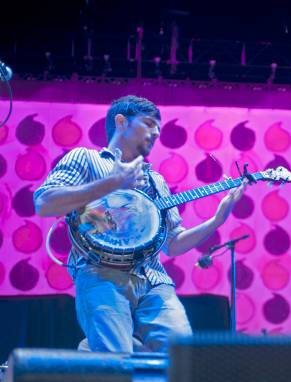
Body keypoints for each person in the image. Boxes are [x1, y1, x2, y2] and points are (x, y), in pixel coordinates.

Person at [34, 95, 245, 352]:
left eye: (158, 126)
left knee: (182, 357)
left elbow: (173, 244)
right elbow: (44, 202)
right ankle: (107, 349)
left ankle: (102, 348)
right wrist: (111, 183)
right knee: (117, 363)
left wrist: (217, 220)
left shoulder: (156, 180)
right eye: (148, 123)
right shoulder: (86, 159)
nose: (156, 131)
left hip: (153, 279)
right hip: (100, 274)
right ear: (121, 122)